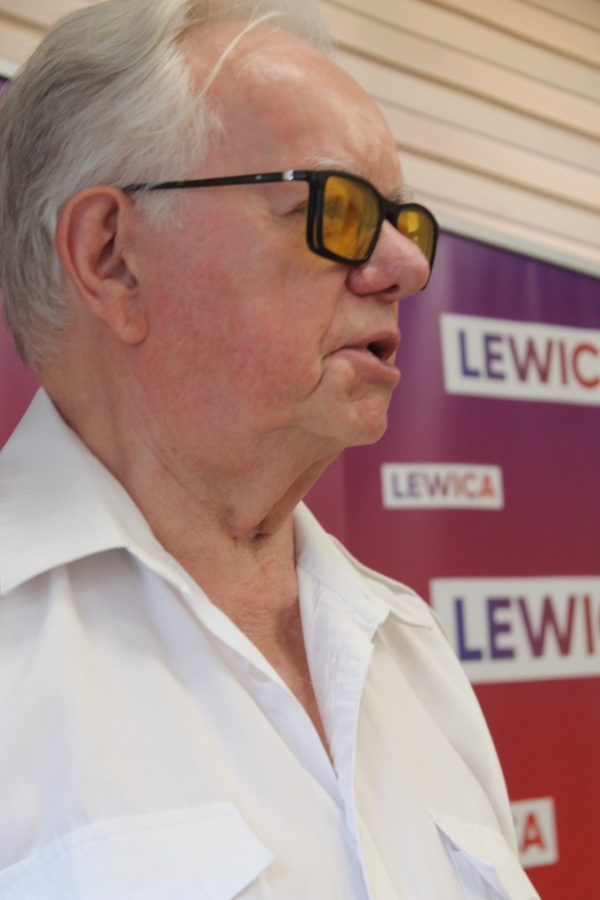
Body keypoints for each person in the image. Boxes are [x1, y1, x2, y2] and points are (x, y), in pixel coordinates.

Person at [0, 1, 539, 897]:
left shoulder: (408, 646)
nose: (406, 268)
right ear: (112, 258)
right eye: (336, 209)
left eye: (402, 222)